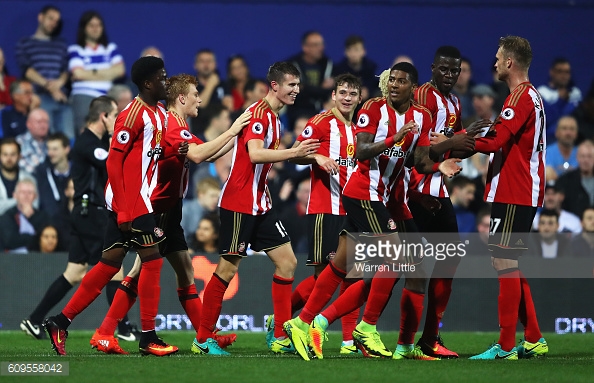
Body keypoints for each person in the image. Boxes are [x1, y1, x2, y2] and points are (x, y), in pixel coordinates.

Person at [284, 62, 468, 361]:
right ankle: (366, 327)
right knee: (397, 258)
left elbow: (418, 161)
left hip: (390, 198)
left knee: (356, 265)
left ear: (413, 86)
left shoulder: (422, 116)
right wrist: (392, 140)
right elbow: (361, 150)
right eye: (391, 80)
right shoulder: (372, 108)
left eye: (401, 81)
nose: (394, 85)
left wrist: (438, 166)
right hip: (362, 193)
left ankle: (304, 322)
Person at [89, 73, 250, 355]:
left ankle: (205, 334)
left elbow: (207, 152)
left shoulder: (179, 124)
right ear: (182, 98)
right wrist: (235, 129)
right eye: (196, 93)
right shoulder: (171, 125)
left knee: (184, 272)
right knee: (140, 272)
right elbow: (200, 156)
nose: (200, 98)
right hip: (159, 208)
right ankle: (106, 330)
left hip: (171, 209)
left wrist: (240, 136)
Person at [42, 57, 175, 357]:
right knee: (152, 262)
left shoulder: (159, 113)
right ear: (147, 83)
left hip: (138, 199)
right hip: (131, 200)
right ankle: (148, 337)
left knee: (108, 265)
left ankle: (61, 322)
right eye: (162, 77)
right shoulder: (131, 115)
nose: (166, 82)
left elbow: (151, 153)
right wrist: (126, 209)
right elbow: (114, 161)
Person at [193, 61, 320, 356]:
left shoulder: (274, 117)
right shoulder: (260, 115)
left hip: (260, 204)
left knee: (287, 262)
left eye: (298, 85)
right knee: (226, 268)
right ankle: (202, 338)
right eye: (291, 85)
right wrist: (294, 153)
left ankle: (278, 334)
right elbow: (254, 154)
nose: (296, 90)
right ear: (274, 86)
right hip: (239, 203)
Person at [19, 96, 132, 341]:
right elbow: (113, 160)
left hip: (86, 213)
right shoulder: (86, 143)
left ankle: (34, 319)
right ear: (103, 116)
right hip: (89, 212)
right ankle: (121, 329)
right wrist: (115, 136)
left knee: (74, 272)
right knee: (114, 268)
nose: (116, 120)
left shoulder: (95, 141)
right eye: (114, 115)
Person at [469, 35, 548, 360]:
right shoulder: (528, 96)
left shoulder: (520, 97)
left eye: (499, 58)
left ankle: (505, 345)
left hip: (516, 190)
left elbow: (493, 142)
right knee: (508, 262)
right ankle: (533, 338)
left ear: (511, 63)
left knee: (504, 262)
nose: (495, 63)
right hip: (517, 189)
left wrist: (452, 142)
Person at [409, 46, 489, 359]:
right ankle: (355, 330)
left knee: (449, 259)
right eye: (444, 69)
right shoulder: (422, 97)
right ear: (432, 68)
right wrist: (455, 141)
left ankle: (429, 338)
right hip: (414, 192)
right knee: (393, 267)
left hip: (438, 192)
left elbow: (453, 148)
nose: (449, 75)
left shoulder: (454, 102)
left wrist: (482, 141)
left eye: (454, 71)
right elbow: (420, 148)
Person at [285, 73, 362, 355]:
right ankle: (285, 323)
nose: (347, 98)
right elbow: (294, 153)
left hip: (354, 210)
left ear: (358, 97)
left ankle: (348, 342)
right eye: (342, 92)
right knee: (323, 279)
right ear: (333, 95)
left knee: (352, 276)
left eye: (352, 94)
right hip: (324, 208)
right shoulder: (320, 123)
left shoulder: (361, 128)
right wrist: (316, 157)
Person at [15, 5, 73, 138]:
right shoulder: (24, 43)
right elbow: (27, 71)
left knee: (69, 137)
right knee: (47, 137)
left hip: (61, 97)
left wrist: (58, 84)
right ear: (41, 17)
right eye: (50, 18)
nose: (53, 23)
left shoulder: (61, 44)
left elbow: (66, 70)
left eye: (56, 21)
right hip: (39, 97)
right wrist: (50, 87)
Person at [68, 11, 125, 135]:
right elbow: (78, 74)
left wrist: (90, 72)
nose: (96, 29)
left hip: (107, 96)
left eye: (98, 25)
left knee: (110, 132)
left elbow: (120, 71)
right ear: (84, 28)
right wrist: (108, 73)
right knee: (86, 132)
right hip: (84, 95)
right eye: (91, 25)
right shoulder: (75, 49)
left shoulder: (110, 48)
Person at [287, 31, 334, 127]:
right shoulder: (292, 65)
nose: (321, 48)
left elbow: (332, 89)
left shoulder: (327, 64)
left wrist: (306, 88)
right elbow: (297, 92)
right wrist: (322, 89)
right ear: (305, 47)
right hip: (299, 111)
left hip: (323, 108)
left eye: (322, 44)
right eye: (316, 45)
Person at [537, 58, 582, 143]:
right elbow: (545, 120)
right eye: (559, 71)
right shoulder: (542, 92)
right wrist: (560, 100)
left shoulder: (576, 93)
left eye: (567, 72)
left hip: (572, 141)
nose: (563, 75)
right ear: (552, 72)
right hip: (548, 140)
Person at [0, 178, 50, 252]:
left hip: (38, 259)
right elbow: (9, 241)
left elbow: (46, 241)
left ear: (35, 196)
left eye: (30, 192)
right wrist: (34, 238)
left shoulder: (44, 217)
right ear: (15, 195)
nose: (26, 196)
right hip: (10, 261)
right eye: (22, 192)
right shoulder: (6, 216)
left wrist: (31, 217)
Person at [34, 132, 70, 218]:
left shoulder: (78, 171)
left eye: (55, 149)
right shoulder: (42, 172)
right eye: (48, 149)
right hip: (52, 223)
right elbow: (45, 203)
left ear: (66, 149)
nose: (50, 153)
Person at [332, 35, 378, 102]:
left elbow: (373, 86)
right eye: (350, 50)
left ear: (363, 51)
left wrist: (368, 91)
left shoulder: (371, 69)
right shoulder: (338, 71)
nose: (353, 54)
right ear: (345, 52)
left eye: (356, 50)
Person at [556, 140, 594, 218]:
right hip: (572, 225)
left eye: (589, 156)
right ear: (577, 158)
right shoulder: (565, 181)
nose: (586, 160)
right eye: (583, 156)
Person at [181, 177, 221, 245]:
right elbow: (179, 238)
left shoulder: (218, 212)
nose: (216, 200)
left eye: (217, 197)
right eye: (212, 196)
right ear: (201, 195)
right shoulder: (185, 211)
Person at [0, 137, 34, 215]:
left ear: (19, 156)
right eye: (5, 154)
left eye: (13, 154)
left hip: (25, 222)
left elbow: (34, 205)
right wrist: (20, 201)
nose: (9, 159)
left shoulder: (29, 179)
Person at [16, 108, 49, 174]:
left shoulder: (53, 142)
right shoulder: (19, 143)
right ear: (28, 124)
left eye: (46, 122)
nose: (43, 125)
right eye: (39, 122)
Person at [545, 115, 578, 181]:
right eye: (564, 128)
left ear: (576, 133)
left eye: (572, 129)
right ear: (556, 132)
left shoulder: (583, 153)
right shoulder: (547, 153)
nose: (568, 133)